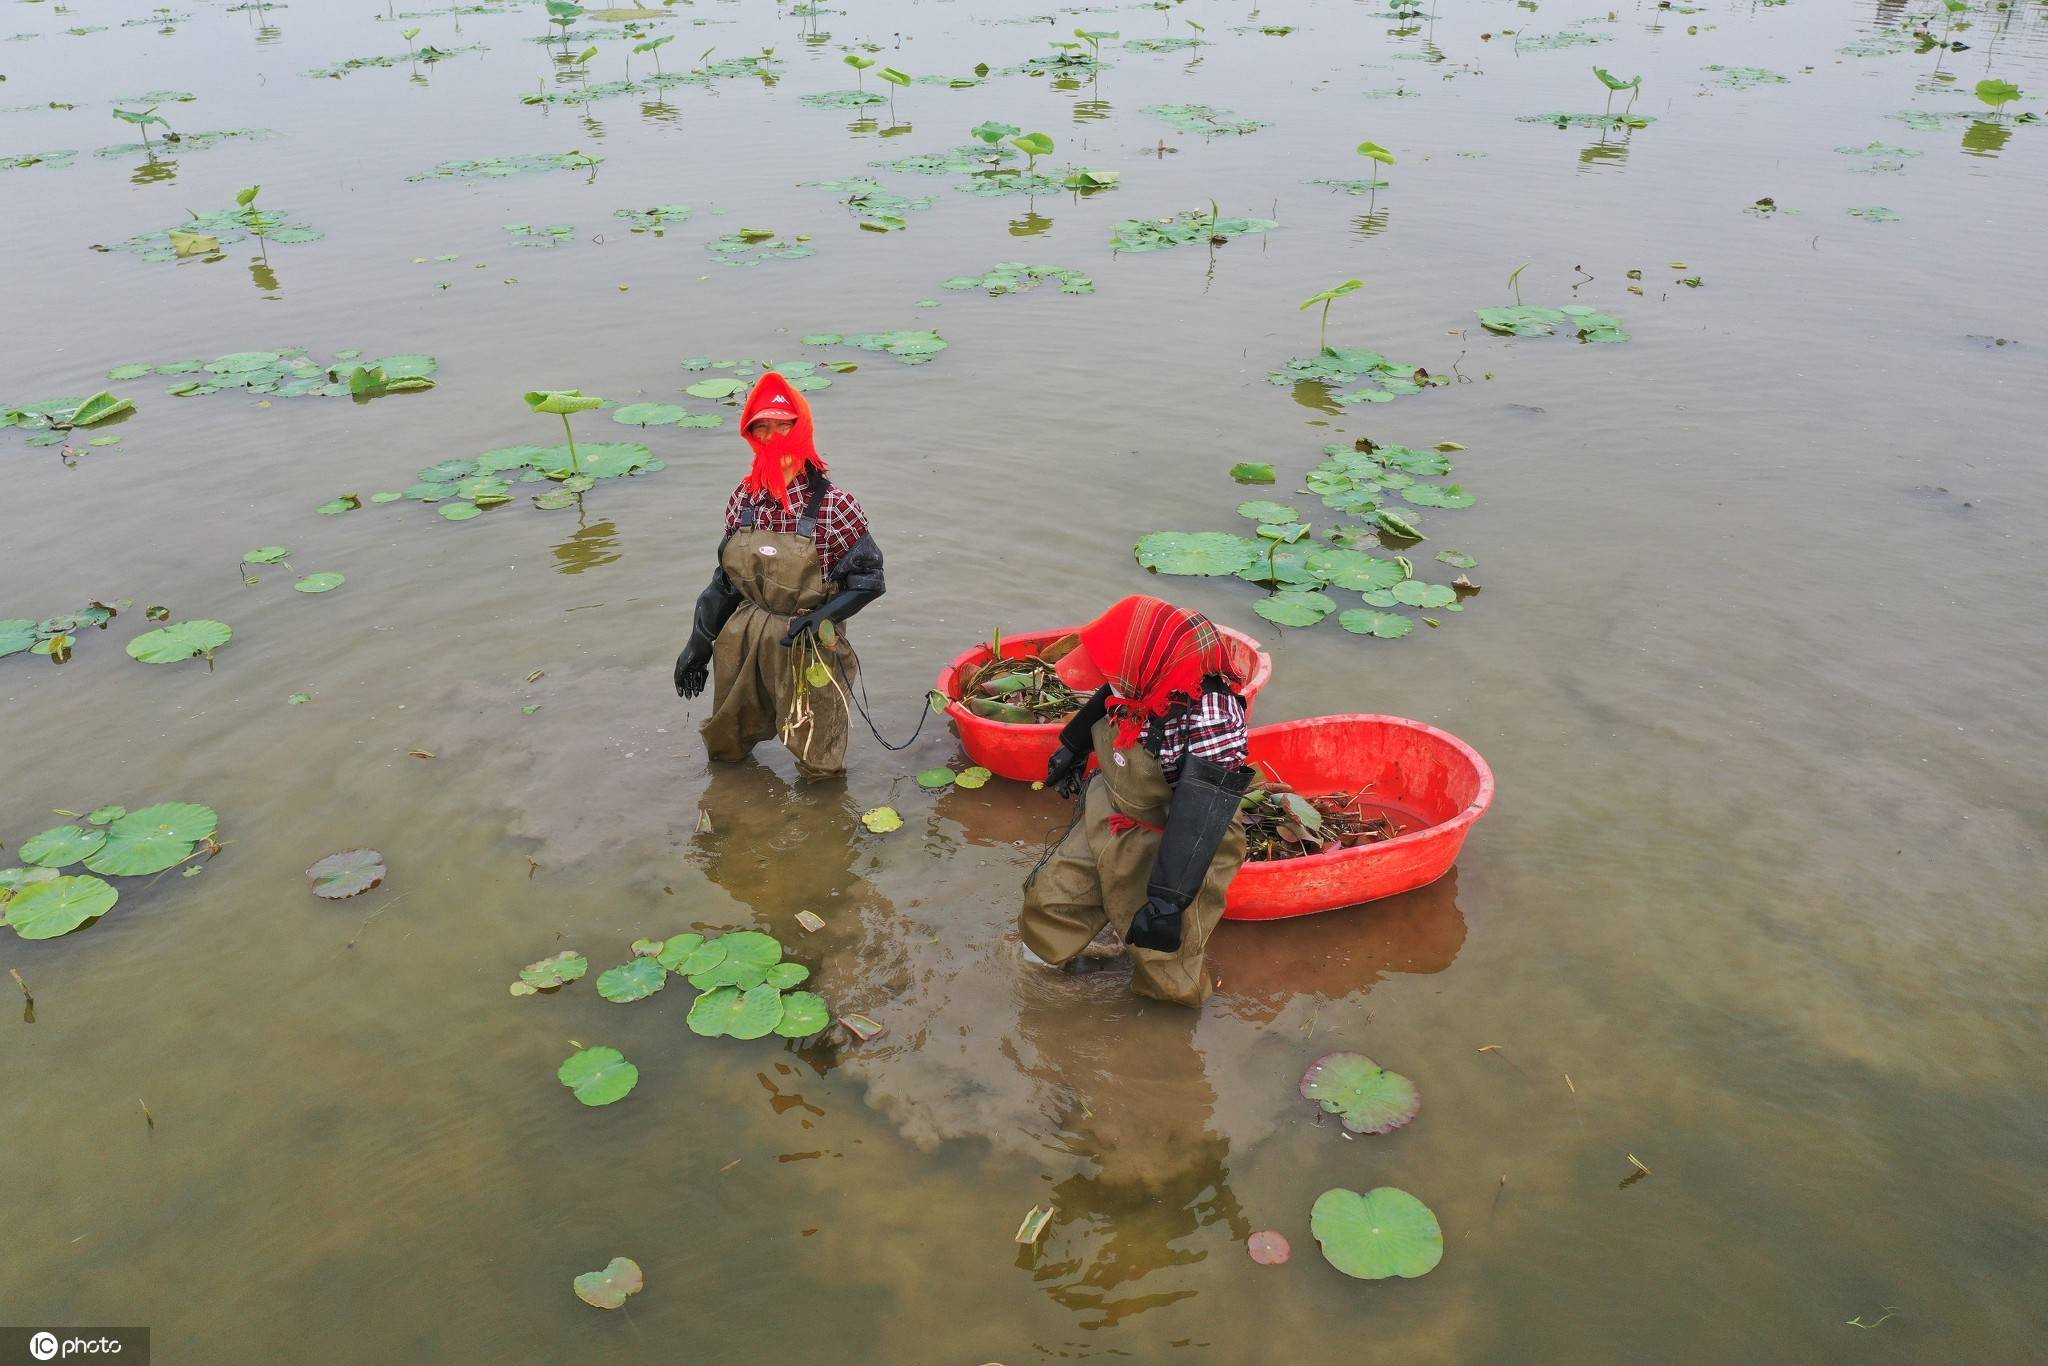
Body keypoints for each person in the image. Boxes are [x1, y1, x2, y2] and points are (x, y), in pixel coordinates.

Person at [1018, 595, 1256, 1007]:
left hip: (1178, 839)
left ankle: (1163, 1035)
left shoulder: (1211, 717)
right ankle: (1034, 981)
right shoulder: (1141, 674)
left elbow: (1199, 817)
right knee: (1053, 898)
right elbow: (1105, 699)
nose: (1107, 681)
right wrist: (1070, 748)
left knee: (1165, 950)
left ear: (1151, 664)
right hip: (1113, 810)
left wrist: (1168, 900)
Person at [673, 372, 885, 779]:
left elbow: (869, 580)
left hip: (807, 639)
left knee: (819, 754)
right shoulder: (744, 498)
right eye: (762, 427)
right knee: (727, 739)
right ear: (750, 434)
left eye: (783, 425)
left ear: (801, 428)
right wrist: (697, 645)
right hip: (744, 632)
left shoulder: (834, 506)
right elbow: (724, 582)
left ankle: (821, 824)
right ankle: (730, 804)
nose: (773, 436)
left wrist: (819, 618)